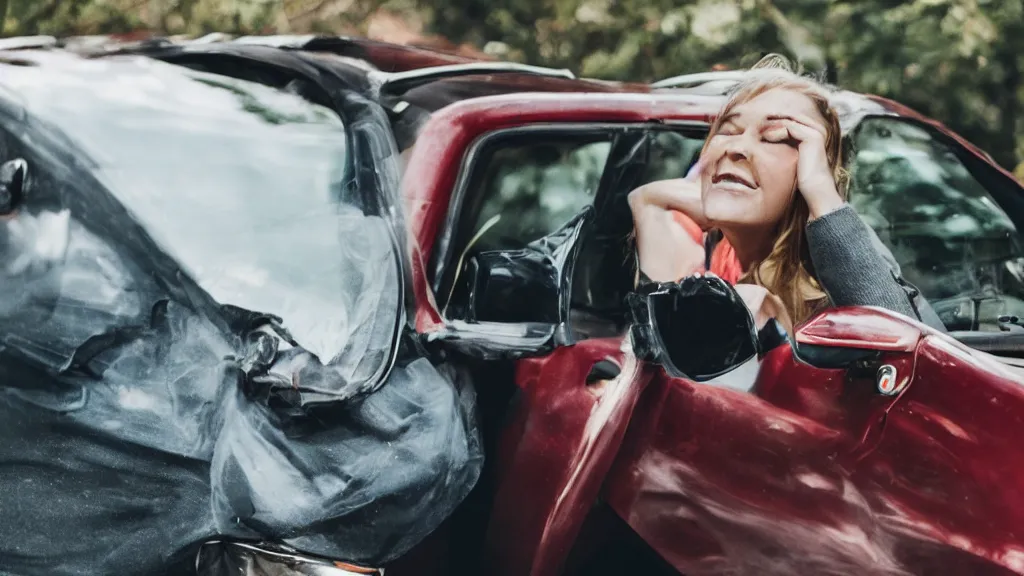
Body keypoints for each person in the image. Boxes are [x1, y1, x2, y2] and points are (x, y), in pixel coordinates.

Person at [629, 54, 944, 334]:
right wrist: (648, 201)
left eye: (775, 137)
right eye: (728, 130)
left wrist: (820, 191)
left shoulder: (846, 261)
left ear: (810, 170)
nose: (737, 148)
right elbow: (665, 368)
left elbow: (913, 362)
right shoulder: (704, 250)